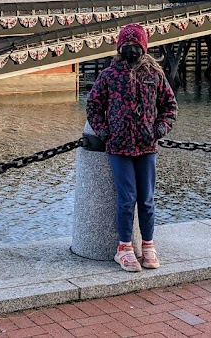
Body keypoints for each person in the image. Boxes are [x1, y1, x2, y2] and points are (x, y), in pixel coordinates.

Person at [86, 23, 177, 271]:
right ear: (119, 47)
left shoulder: (155, 75)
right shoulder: (109, 76)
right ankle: (123, 247)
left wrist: (158, 130)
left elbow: (170, 107)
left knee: (146, 200)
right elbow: (93, 107)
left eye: (136, 45)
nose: (131, 49)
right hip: (118, 147)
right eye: (127, 45)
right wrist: (106, 133)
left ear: (143, 47)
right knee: (127, 199)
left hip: (147, 146)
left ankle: (148, 245)